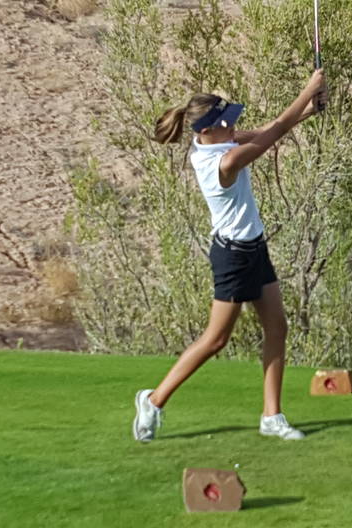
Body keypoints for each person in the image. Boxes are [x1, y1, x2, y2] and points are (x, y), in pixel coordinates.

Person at [132, 69, 328, 443]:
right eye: (225, 123)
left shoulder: (220, 142)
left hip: (254, 247)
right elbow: (273, 134)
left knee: (277, 328)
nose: (232, 125)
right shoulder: (221, 163)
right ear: (203, 132)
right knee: (215, 340)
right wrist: (307, 90)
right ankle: (153, 400)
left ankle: (272, 417)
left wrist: (309, 110)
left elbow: (270, 127)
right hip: (232, 258)